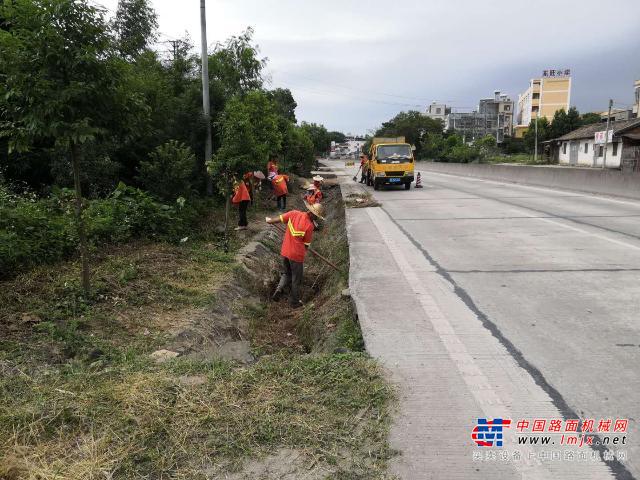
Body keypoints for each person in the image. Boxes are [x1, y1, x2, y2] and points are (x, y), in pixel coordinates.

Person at [266, 202, 326, 307]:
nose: (316, 219)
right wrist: (304, 249)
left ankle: (279, 289)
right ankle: (294, 302)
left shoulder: (293, 213)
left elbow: (278, 219)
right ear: (312, 214)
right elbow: (306, 245)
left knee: (286, 273)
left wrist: (269, 221)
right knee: (296, 278)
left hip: (285, 251)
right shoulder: (309, 226)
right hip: (296, 256)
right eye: (316, 217)